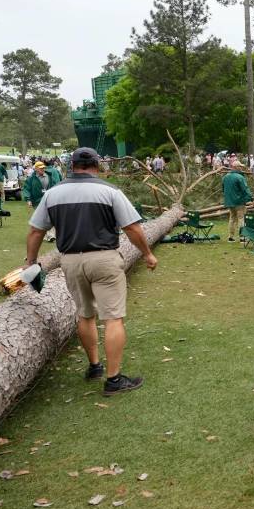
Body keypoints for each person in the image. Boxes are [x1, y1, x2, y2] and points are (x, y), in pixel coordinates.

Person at [22, 148, 154, 396]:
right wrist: (147, 253)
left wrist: (31, 262)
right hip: (104, 259)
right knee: (113, 317)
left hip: (70, 260)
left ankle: (94, 367)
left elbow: (35, 231)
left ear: (71, 166)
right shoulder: (110, 191)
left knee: (85, 315)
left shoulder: (52, 193)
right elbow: (133, 228)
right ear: (96, 165)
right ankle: (114, 380)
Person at [221, 161, 252, 242]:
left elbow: (223, 190)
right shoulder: (240, 177)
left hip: (230, 202)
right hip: (239, 202)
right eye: (240, 166)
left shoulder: (225, 177)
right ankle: (242, 237)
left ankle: (231, 237)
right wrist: (251, 199)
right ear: (236, 167)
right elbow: (245, 189)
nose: (241, 168)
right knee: (241, 219)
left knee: (232, 218)